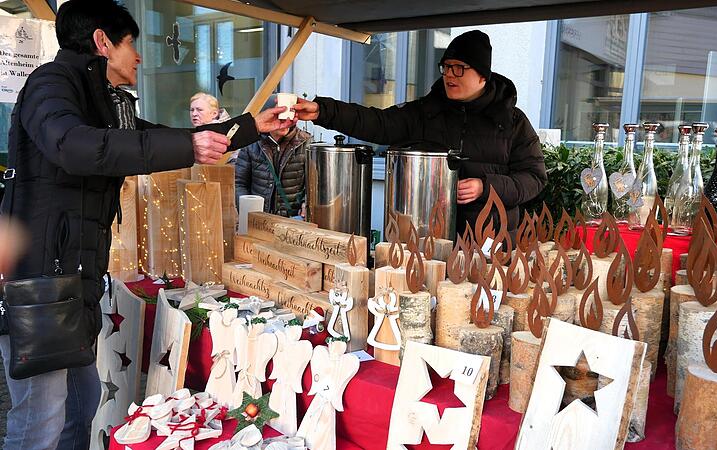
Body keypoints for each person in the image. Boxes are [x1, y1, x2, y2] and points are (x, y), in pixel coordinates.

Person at [0, 1, 293, 448]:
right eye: (131, 44)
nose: (138, 57)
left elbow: (158, 137)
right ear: (102, 42)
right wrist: (189, 145)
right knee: (40, 417)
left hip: (76, 280)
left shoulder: (102, 100)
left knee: (81, 405)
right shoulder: (50, 84)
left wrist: (251, 126)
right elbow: (73, 146)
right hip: (41, 282)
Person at [293, 30, 546, 237]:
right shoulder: (427, 111)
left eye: (458, 68)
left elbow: (534, 178)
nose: (449, 75)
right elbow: (377, 122)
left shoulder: (512, 121)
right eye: (445, 67)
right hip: (429, 241)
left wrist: (486, 186)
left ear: (482, 75)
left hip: (489, 243)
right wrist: (322, 111)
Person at [235, 118, 312, 218]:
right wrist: (247, 210)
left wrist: (306, 203)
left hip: (293, 219)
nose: (286, 122)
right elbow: (239, 182)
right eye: (280, 117)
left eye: (290, 116)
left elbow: (314, 185)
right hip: (259, 218)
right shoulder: (251, 143)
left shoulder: (307, 143)